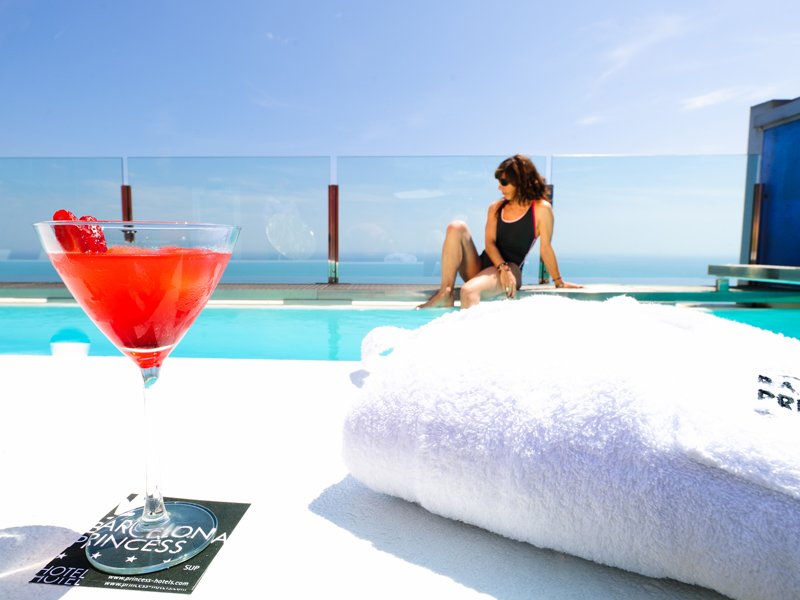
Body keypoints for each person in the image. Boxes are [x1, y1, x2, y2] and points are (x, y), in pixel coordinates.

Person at [418, 154, 581, 309]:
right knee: (456, 227)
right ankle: (446, 292)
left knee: (468, 291)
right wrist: (502, 268)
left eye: (504, 182)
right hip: (485, 267)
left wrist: (559, 282)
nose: (499, 187)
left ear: (520, 181)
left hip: (512, 270)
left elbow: (545, 248)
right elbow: (489, 244)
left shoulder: (541, 209)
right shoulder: (496, 207)